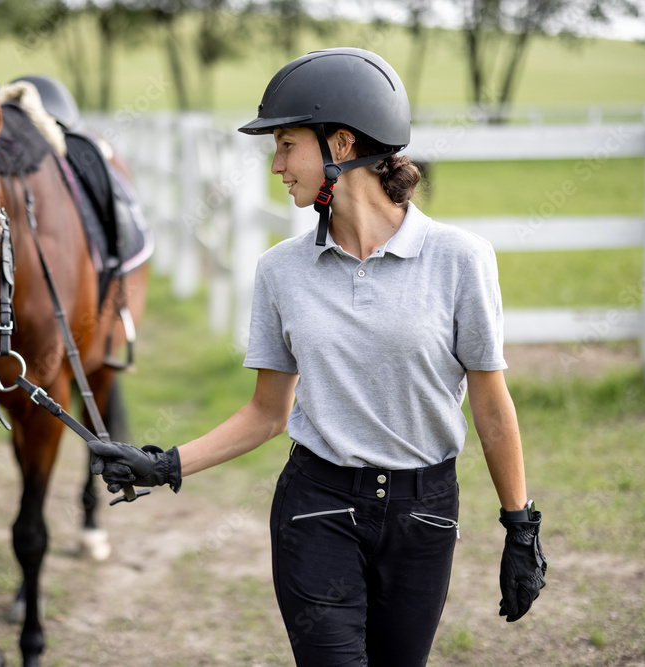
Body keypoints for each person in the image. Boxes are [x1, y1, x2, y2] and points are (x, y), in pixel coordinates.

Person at [87, 47, 547, 666]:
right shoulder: (281, 271)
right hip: (317, 507)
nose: (275, 165)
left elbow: (491, 406)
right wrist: (165, 465)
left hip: (425, 515)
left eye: (286, 145)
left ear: (342, 143)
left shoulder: (461, 260)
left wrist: (520, 524)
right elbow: (267, 413)